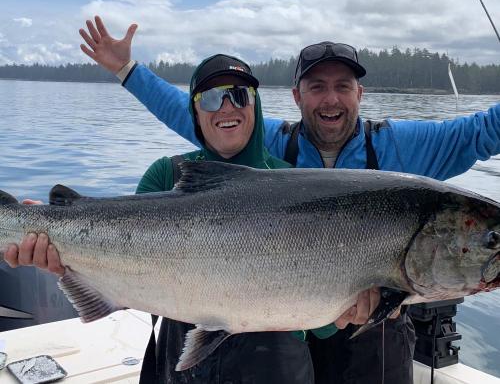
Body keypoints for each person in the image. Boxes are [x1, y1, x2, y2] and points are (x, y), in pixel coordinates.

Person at [78, 18, 500, 384]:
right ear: (297, 97)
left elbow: (480, 132)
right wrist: (128, 70)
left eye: (343, 86)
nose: (330, 99)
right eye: (317, 87)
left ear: (360, 94)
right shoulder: (273, 143)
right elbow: (202, 113)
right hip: (291, 313)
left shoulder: (401, 148)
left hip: (375, 332)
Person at [4, 45, 381, 383]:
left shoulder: (295, 187)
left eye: (238, 94)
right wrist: (62, 257)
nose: (227, 107)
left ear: (255, 104)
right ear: (195, 111)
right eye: (212, 97)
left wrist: (346, 313)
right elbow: (117, 269)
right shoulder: (166, 175)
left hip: (277, 366)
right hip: (181, 363)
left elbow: (322, 329)